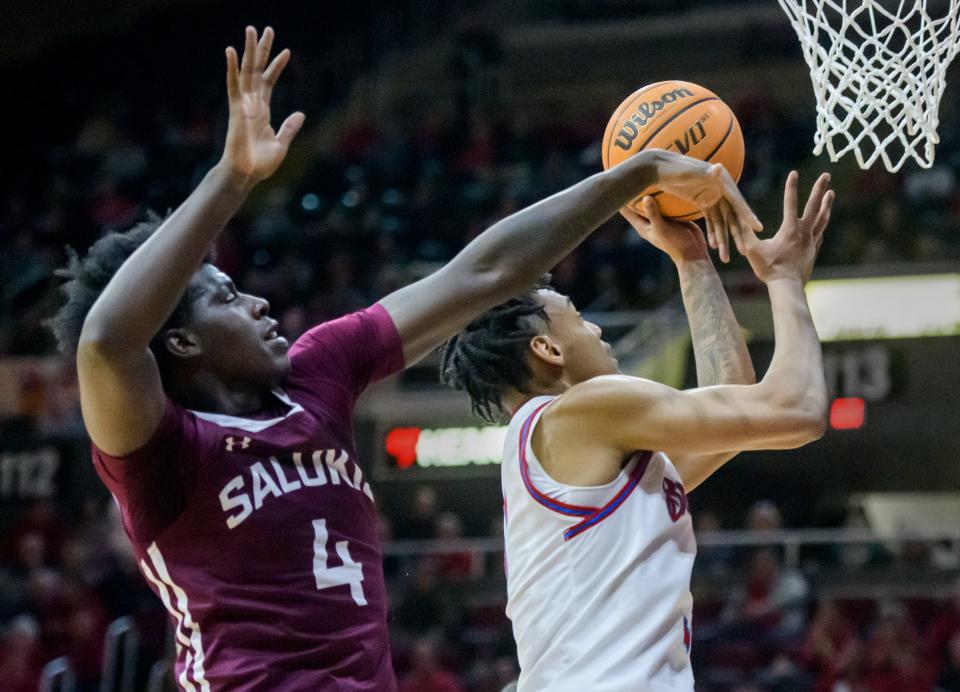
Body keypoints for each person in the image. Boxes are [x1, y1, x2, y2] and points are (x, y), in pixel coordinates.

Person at [47, 26, 758, 692]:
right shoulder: (161, 457)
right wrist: (231, 180)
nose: (259, 304)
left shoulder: (316, 374)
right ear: (180, 341)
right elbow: (107, 342)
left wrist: (633, 176)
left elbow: (483, 275)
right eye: (227, 297)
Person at [441, 171, 834, 690]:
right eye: (579, 319)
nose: (597, 329)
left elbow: (730, 408)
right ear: (548, 350)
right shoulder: (583, 410)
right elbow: (799, 408)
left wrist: (691, 258)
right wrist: (783, 279)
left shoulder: (574, 449)